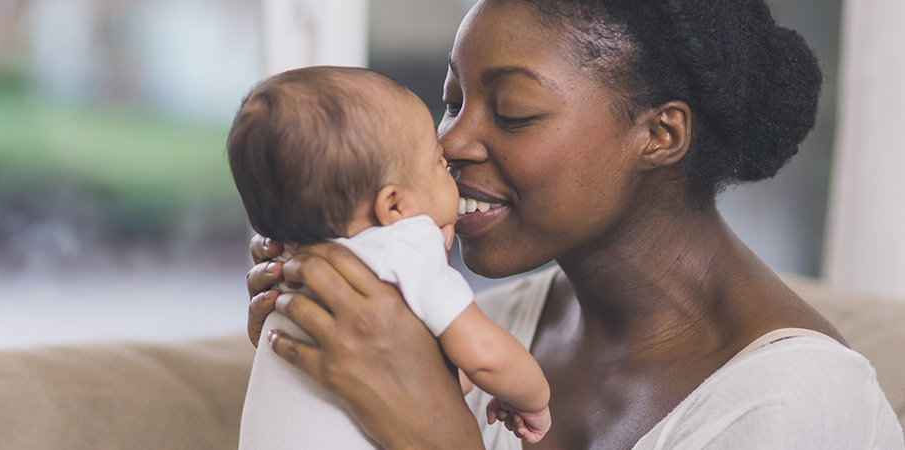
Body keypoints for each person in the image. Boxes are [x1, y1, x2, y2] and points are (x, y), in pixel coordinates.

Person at [243, 0, 905, 448]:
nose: (450, 143)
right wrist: (307, 341)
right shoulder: (490, 329)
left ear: (660, 134)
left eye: (513, 112)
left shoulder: (794, 407)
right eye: (451, 102)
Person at [227, 66, 552, 449]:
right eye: (440, 165)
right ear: (394, 206)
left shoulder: (289, 265)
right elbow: (485, 354)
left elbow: (431, 376)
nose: (452, 154)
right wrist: (535, 399)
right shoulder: (403, 246)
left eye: (512, 113)